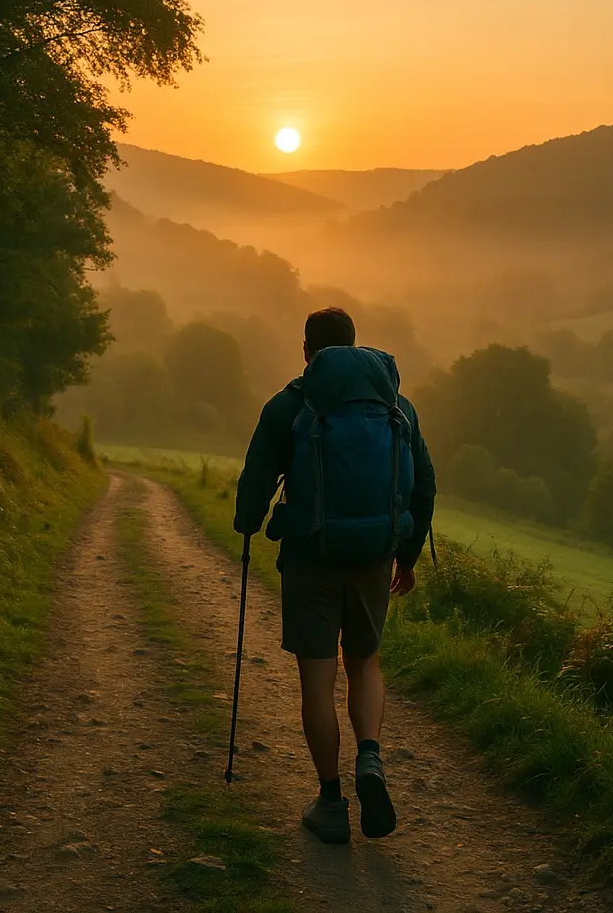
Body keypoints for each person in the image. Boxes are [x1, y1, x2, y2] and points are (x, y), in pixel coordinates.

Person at [233, 307, 436, 844]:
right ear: (353, 344)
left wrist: (247, 525)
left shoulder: (291, 405)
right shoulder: (397, 407)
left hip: (311, 558)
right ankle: (369, 755)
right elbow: (425, 487)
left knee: (317, 683)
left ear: (307, 351)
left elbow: (256, 478)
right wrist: (407, 557)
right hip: (374, 556)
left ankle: (330, 802)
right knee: (365, 662)